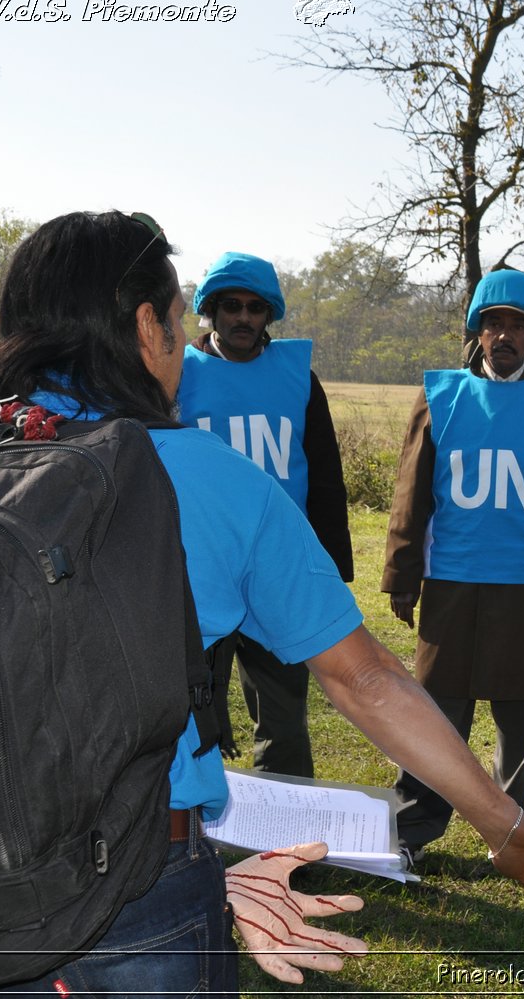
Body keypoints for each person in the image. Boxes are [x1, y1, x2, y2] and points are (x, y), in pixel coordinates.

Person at [0, 211, 524, 993]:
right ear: (149, 327)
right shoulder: (205, 477)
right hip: (138, 884)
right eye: (179, 314)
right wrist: (499, 818)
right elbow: (364, 680)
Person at [382, 267, 524, 863]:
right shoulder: (442, 394)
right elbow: (413, 492)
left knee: (516, 714)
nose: (504, 335)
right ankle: (415, 829)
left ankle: (509, 831)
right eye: (493, 324)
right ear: (476, 333)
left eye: (517, 326)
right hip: (451, 577)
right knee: (436, 712)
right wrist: (403, 575)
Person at [177, 251, 354, 777]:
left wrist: (333, 565)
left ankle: (289, 842)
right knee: (188, 710)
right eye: (231, 305)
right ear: (210, 310)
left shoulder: (298, 377)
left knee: (283, 717)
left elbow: (324, 477)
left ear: (268, 315)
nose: (243, 317)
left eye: (255, 307)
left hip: (276, 564)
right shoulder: (177, 374)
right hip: (199, 565)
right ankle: (187, 835)